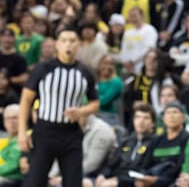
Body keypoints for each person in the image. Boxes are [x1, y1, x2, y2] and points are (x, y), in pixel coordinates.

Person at [17, 27, 100, 187]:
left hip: (72, 133)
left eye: (72, 41)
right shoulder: (42, 68)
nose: (68, 45)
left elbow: (95, 104)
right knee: (34, 181)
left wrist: (81, 111)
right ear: (57, 45)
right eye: (64, 40)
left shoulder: (85, 72)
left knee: (73, 182)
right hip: (45, 131)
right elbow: (26, 100)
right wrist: (22, 132)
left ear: (79, 45)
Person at [92, 103, 156, 187]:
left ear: (153, 123)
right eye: (138, 117)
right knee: (86, 182)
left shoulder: (156, 142)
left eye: (146, 118)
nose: (141, 121)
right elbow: (111, 164)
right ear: (133, 120)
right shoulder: (126, 141)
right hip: (117, 177)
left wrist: (119, 181)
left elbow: (146, 171)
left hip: (135, 181)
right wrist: (102, 175)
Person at [0, 104, 22, 184]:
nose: (11, 122)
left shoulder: (26, 137)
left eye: (15, 118)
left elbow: (13, 165)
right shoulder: (5, 139)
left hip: (14, 179)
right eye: (8, 118)